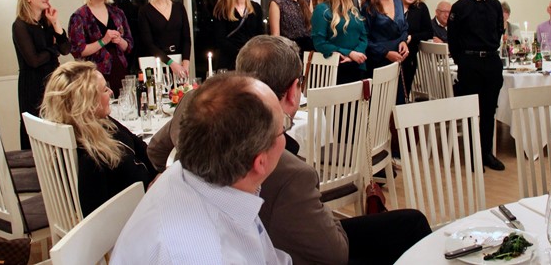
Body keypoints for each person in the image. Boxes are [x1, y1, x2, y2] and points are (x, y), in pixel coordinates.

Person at [148, 36, 432, 265]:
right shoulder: (287, 171)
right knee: (409, 229)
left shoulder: (196, 105)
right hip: (282, 248)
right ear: (294, 90)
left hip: (219, 231)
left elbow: (156, 153)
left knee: (410, 222)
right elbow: (334, 253)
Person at [112, 73, 291, 265]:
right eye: (283, 127)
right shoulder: (204, 255)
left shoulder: (190, 175)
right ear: (260, 162)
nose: (286, 132)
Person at [39, 61, 157, 216]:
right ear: (88, 101)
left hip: (146, 199)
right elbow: (98, 217)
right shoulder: (90, 157)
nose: (111, 93)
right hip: (133, 217)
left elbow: (140, 146)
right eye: (105, 89)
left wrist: (158, 176)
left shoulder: (101, 123)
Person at [448, 0, 506, 171]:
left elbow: (499, 31)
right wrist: (463, 61)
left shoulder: (495, 5)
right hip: (469, 63)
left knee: (489, 110)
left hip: (492, 62)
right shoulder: (459, 7)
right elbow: (453, 40)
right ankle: (473, 155)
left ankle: (486, 153)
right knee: (472, 111)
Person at [12, 0, 70, 149]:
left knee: (55, 124)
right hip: (32, 84)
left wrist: (55, 23)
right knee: (35, 127)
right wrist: (54, 49)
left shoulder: (46, 22)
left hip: (52, 81)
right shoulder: (20, 25)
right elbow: (34, 60)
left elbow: (66, 48)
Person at [68, 0, 133, 97]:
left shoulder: (117, 12)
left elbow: (129, 45)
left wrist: (120, 40)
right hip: (94, 75)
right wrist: (103, 41)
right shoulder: (79, 16)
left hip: (120, 71)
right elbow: (78, 51)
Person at [361, 0, 409, 103]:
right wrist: (386, 53)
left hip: (398, 59)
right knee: (381, 104)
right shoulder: (368, 7)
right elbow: (365, 38)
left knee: (399, 101)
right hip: (378, 60)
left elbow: (404, 27)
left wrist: (403, 41)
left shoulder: (398, 2)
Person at [311, 0, 368, 84]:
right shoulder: (322, 10)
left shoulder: (353, 10)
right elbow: (319, 43)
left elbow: (364, 37)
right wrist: (349, 53)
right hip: (335, 68)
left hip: (358, 65)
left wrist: (354, 55)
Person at [136, 0, 191, 79]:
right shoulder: (144, 11)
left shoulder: (179, 7)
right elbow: (148, 44)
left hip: (179, 63)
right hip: (156, 63)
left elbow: (186, 38)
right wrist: (171, 63)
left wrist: (185, 63)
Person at [212, 0, 264, 70]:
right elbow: (220, 39)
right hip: (230, 63)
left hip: (252, 62)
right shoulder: (222, 9)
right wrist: (241, 52)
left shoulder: (255, 8)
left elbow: (260, 36)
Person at [397, 0, 433, 97]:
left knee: (404, 94)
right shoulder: (393, 4)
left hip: (409, 57)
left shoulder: (421, 8)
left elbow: (429, 32)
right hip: (389, 55)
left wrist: (412, 37)